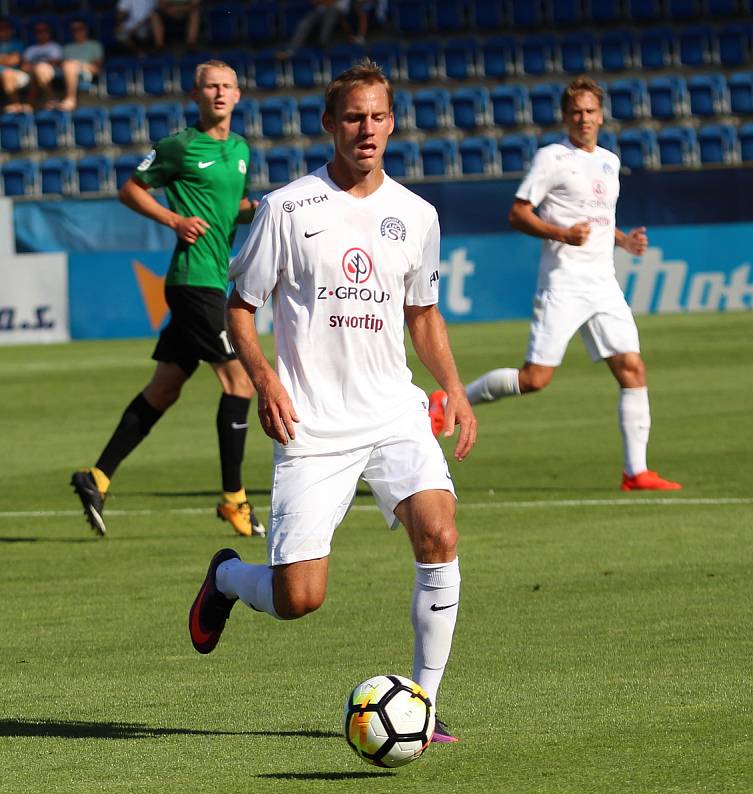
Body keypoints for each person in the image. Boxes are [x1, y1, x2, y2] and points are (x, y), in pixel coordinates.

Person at [188, 61, 477, 744]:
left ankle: (423, 706)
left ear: (393, 122)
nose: (366, 130)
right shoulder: (288, 208)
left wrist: (455, 389)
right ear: (328, 124)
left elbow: (424, 314)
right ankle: (228, 577)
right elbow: (240, 307)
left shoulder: (417, 214)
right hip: (311, 422)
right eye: (353, 117)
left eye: (377, 116)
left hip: (391, 411)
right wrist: (264, 379)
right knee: (299, 599)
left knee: (439, 534)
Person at [429, 76, 681, 493]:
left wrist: (623, 241)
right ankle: (450, 400)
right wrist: (562, 235)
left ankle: (635, 472)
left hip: (603, 284)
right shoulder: (552, 158)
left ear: (601, 116)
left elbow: (599, 217)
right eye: (575, 112)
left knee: (633, 369)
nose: (583, 118)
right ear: (566, 117)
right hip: (563, 282)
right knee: (535, 379)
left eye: (590, 111)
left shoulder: (609, 161)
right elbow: (517, 213)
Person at [71, 60, 265, 538]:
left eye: (226, 86)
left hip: (213, 277)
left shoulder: (240, 150)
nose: (219, 94)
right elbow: (130, 190)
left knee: (165, 388)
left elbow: (228, 209)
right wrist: (174, 221)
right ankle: (234, 500)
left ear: (238, 95)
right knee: (239, 382)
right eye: (210, 87)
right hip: (191, 280)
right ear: (195, 95)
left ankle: (95, 477)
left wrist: (257, 211)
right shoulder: (180, 146)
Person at [54, 18, 103, 111]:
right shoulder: (67, 48)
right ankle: (51, 100)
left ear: (86, 29)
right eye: (74, 30)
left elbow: (97, 69)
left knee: (70, 66)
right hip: (65, 73)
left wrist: (78, 65)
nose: (77, 31)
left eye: (80, 28)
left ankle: (71, 99)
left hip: (85, 72)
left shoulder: (95, 45)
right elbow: (61, 65)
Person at [276, 0, 350, 59]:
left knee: (329, 18)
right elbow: (314, 2)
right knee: (305, 22)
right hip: (322, 9)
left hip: (339, 9)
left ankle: (324, 45)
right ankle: (291, 50)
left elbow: (330, 2)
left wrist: (322, 1)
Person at [20, 20, 62, 109]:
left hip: (52, 71)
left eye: (44, 31)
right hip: (33, 73)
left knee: (41, 68)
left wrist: (36, 66)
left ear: (49, 32)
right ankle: (28, 105)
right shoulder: (31, 49)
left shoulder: (54, 46)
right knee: (37, 69)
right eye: (38, 32)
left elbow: (56, 62)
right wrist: (35, 67)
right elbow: (24, 66)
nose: (42, 34)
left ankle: (50, 99)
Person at [0, 17, 31, 112]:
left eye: (6, 28)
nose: (4, 31)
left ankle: (16, 105)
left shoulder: (17, 43)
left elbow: (14, 60)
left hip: (16, 74)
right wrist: (5, 58)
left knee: (7, 73)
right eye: (1, 29)